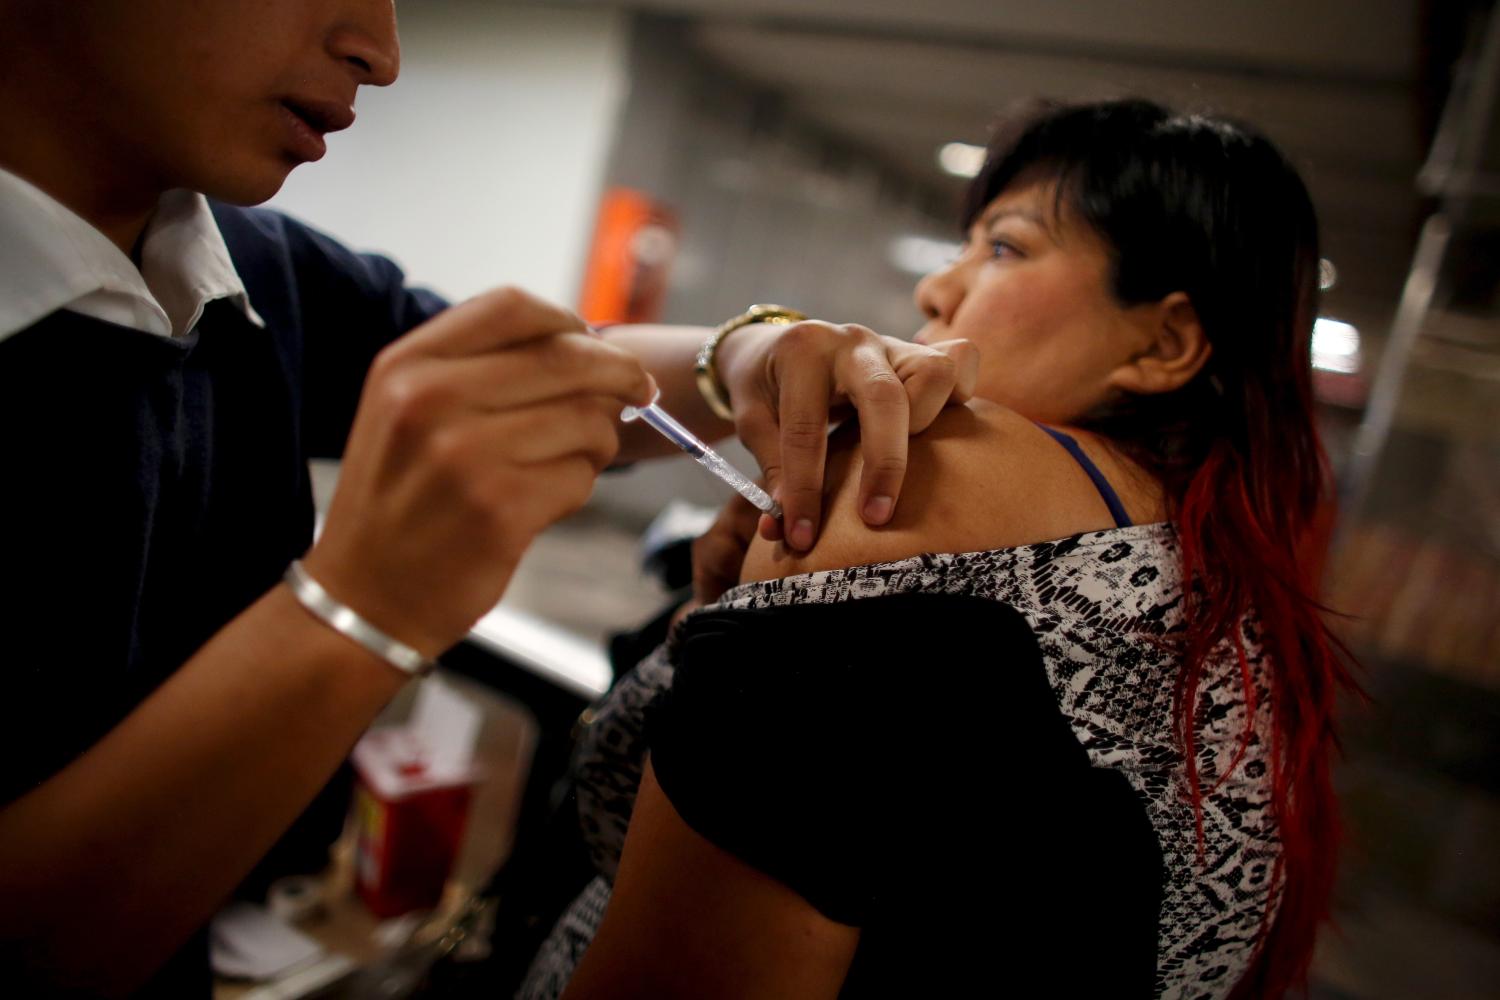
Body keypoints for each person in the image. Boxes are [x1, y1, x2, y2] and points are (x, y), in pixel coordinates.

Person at [0, 2, 975, 994]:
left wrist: (741, 352)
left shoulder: (240, 262)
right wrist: (363, 605)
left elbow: (553, 374)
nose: (379, 54)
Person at [524, 99, 1355, 999]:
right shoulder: (1234, 603)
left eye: (1005, 247)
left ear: (1164, 344)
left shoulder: (915, 477)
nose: (937, 289)